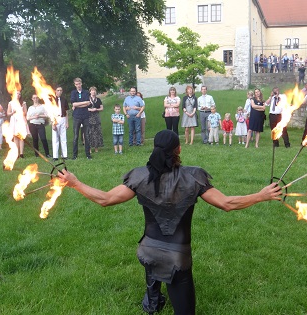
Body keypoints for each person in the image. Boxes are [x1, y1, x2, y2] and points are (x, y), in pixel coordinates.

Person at [57, 129, 282, 315]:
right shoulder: (194, 176)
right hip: (177, 258)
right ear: (179, 150)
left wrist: (75, 182)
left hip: (146, 252)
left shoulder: (139, 176)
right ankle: (154, 299)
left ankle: (153, 301)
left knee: (153, 259)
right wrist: (261, 195)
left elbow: (105, 199)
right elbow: (227, 203)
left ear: (154, 149)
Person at [71, 77, 93, 160]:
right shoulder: (73, 93)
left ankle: (88, 154)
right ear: (75, 85)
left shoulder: (86, 92)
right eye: (76, 84)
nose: (78, 85)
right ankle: (74, 155)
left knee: (87, 135)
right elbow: (73, 104)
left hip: (85, 116)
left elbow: (89, 104)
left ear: (81, 83)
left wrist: (78, 104)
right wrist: (83, 103)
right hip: (77, 116)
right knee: (76, 136)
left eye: (79, 84)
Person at [7, 90, 28, 158]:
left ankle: (21, 153)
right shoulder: (11, 103)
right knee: (15, 137)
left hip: (21, 120)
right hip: (14, 120)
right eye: (17, 94)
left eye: (19, 94)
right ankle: (16, 153)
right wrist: (13, 112)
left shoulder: (23, 103)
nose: (18, 95)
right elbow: (8, 113)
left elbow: (25, 112)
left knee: (21, 137)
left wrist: (21, 112)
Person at [52, 86, 69, 161]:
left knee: (63, 138)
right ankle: (55, 156)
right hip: (55, 119)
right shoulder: (51, 100)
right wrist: (53, 123)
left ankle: (64, 155)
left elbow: (66, 111)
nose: (59, 91)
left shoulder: (64, 100)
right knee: (55, 138)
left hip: (63, 118)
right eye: (58, 90)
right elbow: (50, 112)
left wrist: (67, 122)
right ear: (55, 91)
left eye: (60, 90)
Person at [88, 86, 104, 153]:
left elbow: (102, 108)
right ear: (90, 91)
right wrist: (91, 109)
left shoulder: (98, 99)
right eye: (92, 90)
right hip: (89, 117)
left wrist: (96, 109)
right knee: (89, 133)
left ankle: (96, 147)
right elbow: (85, 108)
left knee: (97, 132)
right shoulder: (87, 99)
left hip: (96, 117)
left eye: (94, 90)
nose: (93, 92)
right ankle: (89, 148)